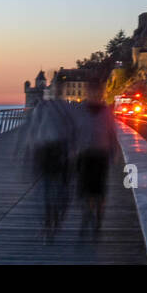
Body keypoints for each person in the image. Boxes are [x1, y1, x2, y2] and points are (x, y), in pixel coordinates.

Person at [23, 96, 74, 241]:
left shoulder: (62, 109)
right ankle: (48, 222)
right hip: (46, 153)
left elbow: (31, 132)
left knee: (50, 189)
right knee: (47, 189)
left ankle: (51, 219)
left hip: (56, 153)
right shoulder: (49, 109)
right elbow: (32, 132)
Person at [72, 89, 119, 237]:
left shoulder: (85, 112)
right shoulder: (102, 112)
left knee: (92, 188)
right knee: (94, 188)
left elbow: (75, 132)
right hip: (95, 154)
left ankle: (93, 214)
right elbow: (112, 134)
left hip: (93, 154)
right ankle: (94, 214)